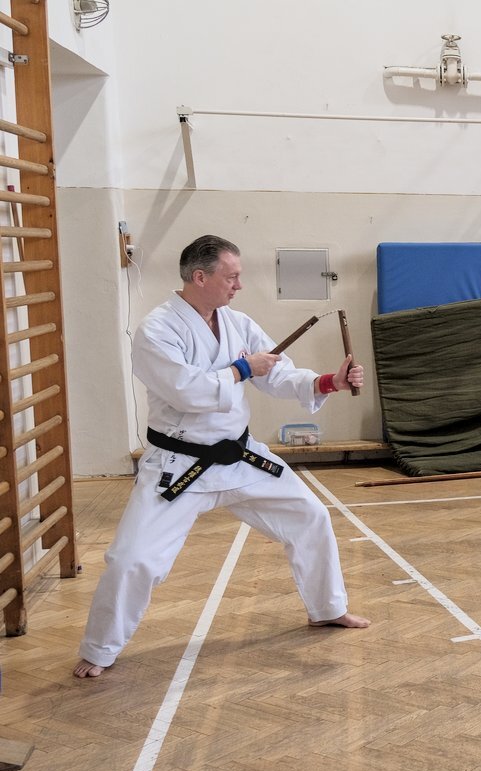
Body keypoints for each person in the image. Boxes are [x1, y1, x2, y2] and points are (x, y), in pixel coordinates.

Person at [75, 235, 369, 678]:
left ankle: (327, 608)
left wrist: (329, 382)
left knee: (311, 516)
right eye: (231, 276)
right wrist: (244, 368)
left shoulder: (236, 322)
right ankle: (99, 649)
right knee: (131, 559)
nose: (239, 285)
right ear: (200, 277)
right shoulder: (157, 330)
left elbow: (278, 373)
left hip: (240, 458)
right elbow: (190, 392)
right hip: (179, 466)